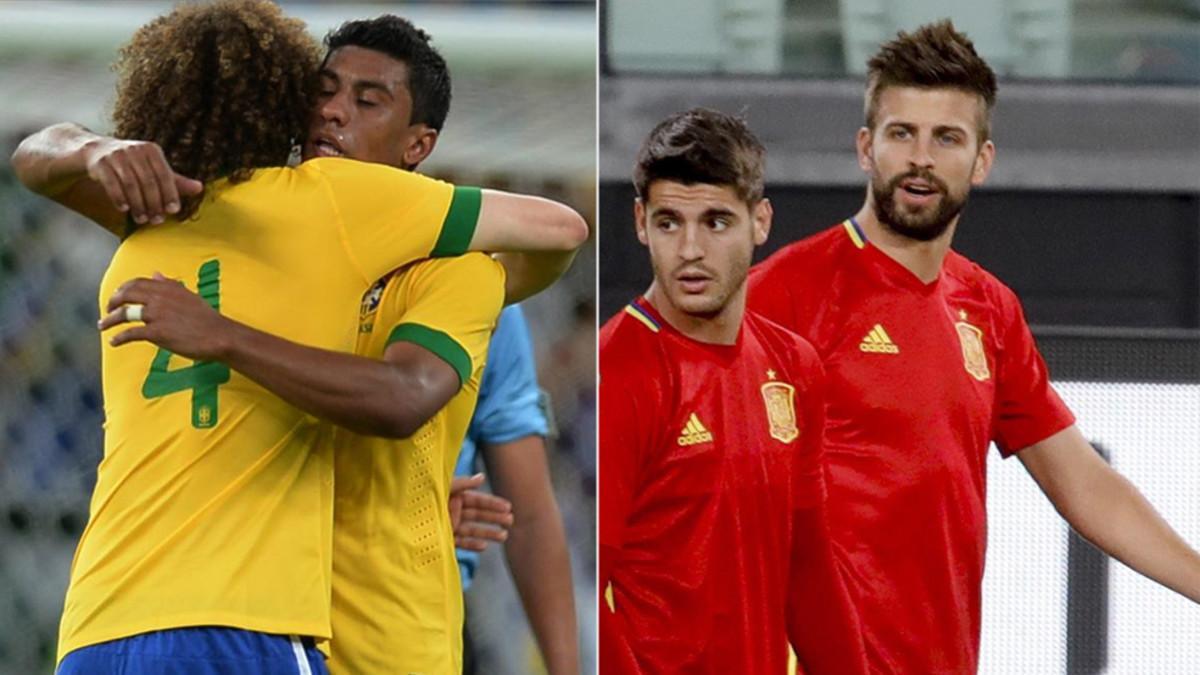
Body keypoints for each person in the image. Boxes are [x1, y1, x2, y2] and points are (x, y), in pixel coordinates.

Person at [10, 2, 587, 672]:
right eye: (320, 93)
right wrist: (96, 148)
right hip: (259, 625)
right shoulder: (256, 213)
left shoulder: (455, 269)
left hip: (370, 649)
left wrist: (409, 494)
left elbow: (410, 398)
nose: (333, 113)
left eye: (368, 101)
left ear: (418, 145)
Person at [747, 20, 1200, 674]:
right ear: (866, 148)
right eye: (902, 134)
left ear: (982, 159)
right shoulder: (782, 297)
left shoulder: (988, 308)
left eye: (947, 138)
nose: (921, 159)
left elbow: (1084, 483)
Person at [598, 108, 867, 674]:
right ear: (641, 223)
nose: (690, 249)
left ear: (760, 222)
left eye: (716, 222)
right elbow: (587, 586)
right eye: (670, 222)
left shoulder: (794, 367)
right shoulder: (620, 372)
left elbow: (809, 568)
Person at [454, 303, 580, 675]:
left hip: (431, 614)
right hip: (299, 605)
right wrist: (400, 510)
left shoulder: (490, 304)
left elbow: (530, 515)